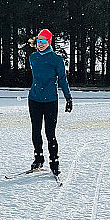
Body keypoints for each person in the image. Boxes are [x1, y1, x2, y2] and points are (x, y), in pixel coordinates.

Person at [27, 29, 72, 176]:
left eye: (44, 41)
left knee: (50, 132)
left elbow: (63, 80)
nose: (41, 44)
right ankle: (38, 158)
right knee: (35, 130)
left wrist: (68, 98)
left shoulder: (57, 60)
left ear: (49, 42)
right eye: (39, 41)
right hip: (34, 99)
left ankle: (54, 161)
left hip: (50, 101)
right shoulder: (32, 57)